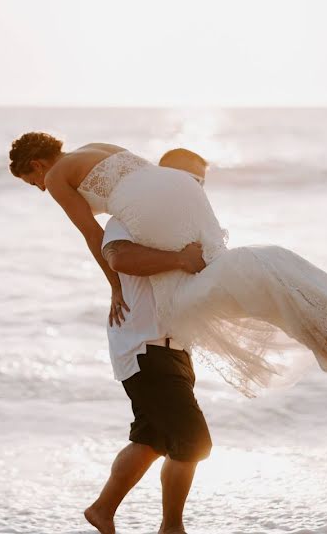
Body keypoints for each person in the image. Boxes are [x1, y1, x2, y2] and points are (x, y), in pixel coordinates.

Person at [8, 132, 327, 402]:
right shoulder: (95, 147)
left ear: (36, 165)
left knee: (189, 298)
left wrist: (115, 288)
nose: (38, 188)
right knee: (227, 273)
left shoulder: (56, 174)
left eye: (31, 182)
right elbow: (140, 182)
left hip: (157, 200)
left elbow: (91, 233)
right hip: (184, 192)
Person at [84, 212, 210, 533]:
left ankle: (103, 510)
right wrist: (181, 259)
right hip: (144, 346)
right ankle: (172, 528)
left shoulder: (185, 226)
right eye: (189, 179)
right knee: (192, 440)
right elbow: (120, 258)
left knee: (152, 439)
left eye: (199, 182)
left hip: (177, 347)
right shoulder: (131, 218)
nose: (193, 189)